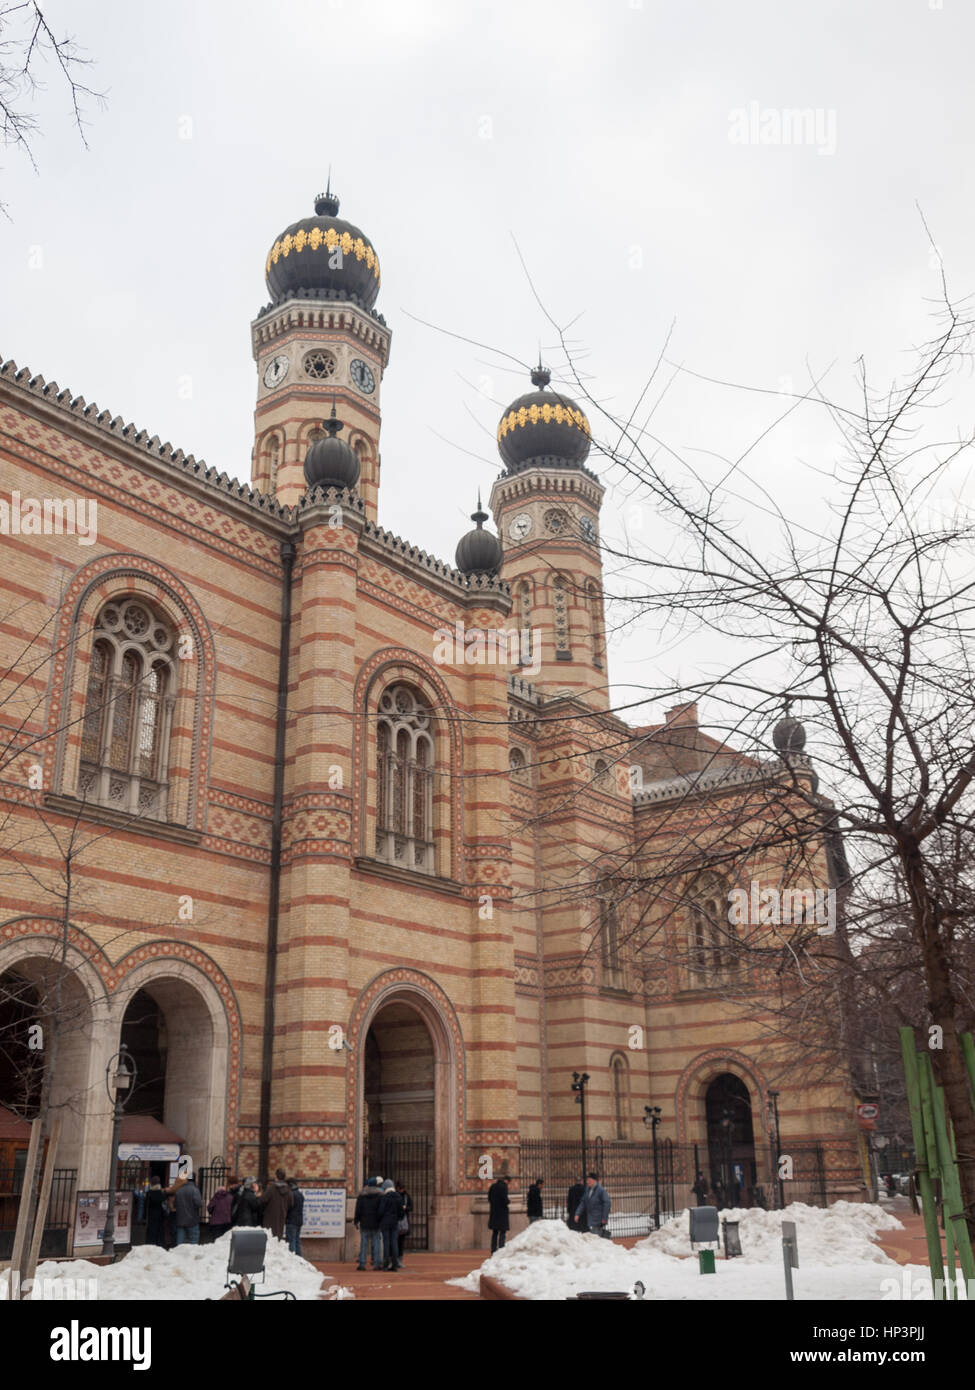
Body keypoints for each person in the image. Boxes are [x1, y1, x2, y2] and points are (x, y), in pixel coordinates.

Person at [353, 1176, 383, 1270]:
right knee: (376, 1244)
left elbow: (358, 1209)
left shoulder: (362, 1196)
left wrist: (356, 1220)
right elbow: (381, 1210)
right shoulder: (380, 1195)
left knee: (364, 1244)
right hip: (376, 1223)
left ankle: (362, 1263)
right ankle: (377, 1264)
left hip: (364, 1222)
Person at [168, 1171, 203, 1245]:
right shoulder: (195, 1190)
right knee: (193, 1242)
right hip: (192, 1220)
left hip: (180, 1220)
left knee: (180, 1243)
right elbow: (199, 1204)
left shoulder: (179, 1190)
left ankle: (179, 1256)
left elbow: (175, 1205)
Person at [574, 1172, 611, 1238]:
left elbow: (607, 1203)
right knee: (593, 1240)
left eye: (589, 1180)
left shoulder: (601, 1190)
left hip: (598, 1220)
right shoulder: (587, 1190)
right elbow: (583, 1202)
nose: (587, 1182)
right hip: (590, 1220)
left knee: (596, 1240)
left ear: (594, 1180)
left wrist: (604, 1218)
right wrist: (577, 1214)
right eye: (587, 1180)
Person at [378, 1178, 404, 1271]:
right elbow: (401, 1212)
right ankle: (395, 1264)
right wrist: (398, 1217)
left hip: (385, 1222)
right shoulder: (398, 1196)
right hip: (394, 1222)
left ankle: (386, 1264)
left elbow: (380, 1211)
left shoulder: (384, 1197)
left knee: (386, 1242)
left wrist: (381, 1218)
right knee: (394, 1242)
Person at [261, 1168, 294, 1240]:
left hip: (269, 1218)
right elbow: (291, 1204)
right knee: (278, 1238)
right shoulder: (288, 1190)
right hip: (282, 1217)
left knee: (269, 1239)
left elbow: (263, 1200)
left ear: (276, 1177)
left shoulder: (271, 1188)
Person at [488, 1174, 510, 1253]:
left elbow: (489, 1198)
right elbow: (505, 1200)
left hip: (494, 1212)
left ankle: (493, 1249)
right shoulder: (504, 1187)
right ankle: (501, 1249)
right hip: (502, 1213)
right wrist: (508, 1201)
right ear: (506, 1181)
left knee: (495, 1232)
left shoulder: (493, 1186)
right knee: (502, 1232)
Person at [145, 1177, 167, 1247]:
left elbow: (146, 1204)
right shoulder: (162, 1193)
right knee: (160, 1230)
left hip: (151, 1214)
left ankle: (151, 1244)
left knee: (151, 1231)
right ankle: (160, 1244)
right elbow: (165, 1204)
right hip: (160, 1214)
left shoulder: (149, 1193)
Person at [285, 1179, 304, 1257]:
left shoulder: (291, 1195)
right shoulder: (300, 1194)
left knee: (291, 1241)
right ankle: (299, 1259)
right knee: (297, 1241)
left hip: (291, 1220)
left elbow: (288, 1207)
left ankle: (292, 1259)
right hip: (299, 1220)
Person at [395, 1181, 412, 1259]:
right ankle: (395, 1257)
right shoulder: (395, 1195)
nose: (401, 1190)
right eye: (400, 1188)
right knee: (395, 1240)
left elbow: (411, 1207)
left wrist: (405, 1208)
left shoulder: (406, 1196)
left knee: (401, 1241)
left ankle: (400, 1257)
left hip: (404, 1220)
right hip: (396, 1220)